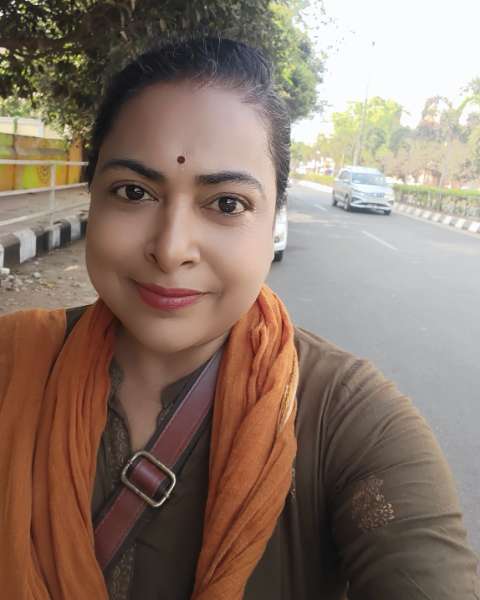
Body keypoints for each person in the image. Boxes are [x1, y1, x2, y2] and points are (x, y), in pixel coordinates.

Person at [0, 38, 478, 600]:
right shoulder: (13, 363)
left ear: (275, 220)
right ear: (93, 199)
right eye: (133, 192)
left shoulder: (348, 422)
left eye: (227, 203)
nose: (171, 249)